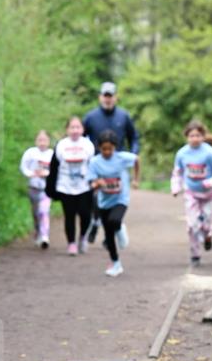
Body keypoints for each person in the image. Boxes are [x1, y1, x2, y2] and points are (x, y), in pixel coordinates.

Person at [82, 82, 140, 244]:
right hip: (97, 165)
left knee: (118, 199)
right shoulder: (91, 117)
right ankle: (95, 222)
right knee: (96, 198)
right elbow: (81, 137)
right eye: (105, 96)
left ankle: (110, 233)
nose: (108, 99)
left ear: (116, 97)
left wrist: (132, 154)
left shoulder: (124, 116)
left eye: (111, 96)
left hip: (118, 165)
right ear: (100, 97)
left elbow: (134, 137)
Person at [171, 121, 212, 267]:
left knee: (207, 224)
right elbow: (177, 172)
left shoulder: (209, 153)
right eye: (191, 136)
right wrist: (176, 187)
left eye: (198, 135)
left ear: (203, 137)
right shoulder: (182, 153)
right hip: (191, 193)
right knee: (192, 225)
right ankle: (195, 254)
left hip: (209, 195)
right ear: (187, 137)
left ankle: (208, 236)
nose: (194, 138)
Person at [86, 129, 140, 277]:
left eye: (110, 148)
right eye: (104, 149)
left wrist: (136, 179)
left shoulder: (122, 158)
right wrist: (98, 183)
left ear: (115, 147)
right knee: (108, 235)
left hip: (121, 198)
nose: (107, 152)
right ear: (99, 148)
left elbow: (136, 160)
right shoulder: (95, 162)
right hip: (104, 201)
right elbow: (91, 182)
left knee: (114, 220)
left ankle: (119, 227)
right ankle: (115, 263)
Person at [45, 117, 96, 255]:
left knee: (86, 215)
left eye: (77, 127)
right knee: (69, 216)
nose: (75, 130)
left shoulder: (88, 145)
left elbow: (95, 166)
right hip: (65, 186)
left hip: (85, 186)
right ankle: (71, 243)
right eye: (72, 127)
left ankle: (83, 237)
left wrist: (96, 183)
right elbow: (54, 168)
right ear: (67, 130)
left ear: (82, 129)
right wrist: (51, 188)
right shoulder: (61, 146)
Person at [19, 130, 54, 249]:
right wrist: (31, 173)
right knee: (35, 213)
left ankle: (45, 236)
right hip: (33, 187)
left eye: (44, 140)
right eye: (40, 140)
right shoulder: (30, 153)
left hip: (46, 189)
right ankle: (38, 231)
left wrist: (46, 173)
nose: (42, 143)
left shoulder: (52, 154)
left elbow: (55, 171)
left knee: (43, 211)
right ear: (35, 141)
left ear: (49, 141)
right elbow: (23, 167)